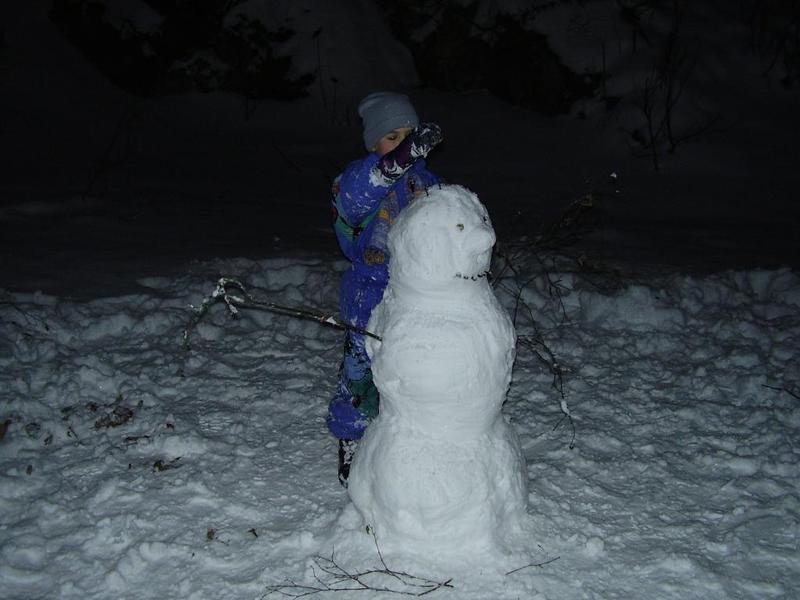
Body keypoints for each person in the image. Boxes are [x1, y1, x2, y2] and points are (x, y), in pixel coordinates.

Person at [327, 91, 444, 486]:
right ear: (374, 143)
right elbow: (360, 193)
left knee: (413, 369)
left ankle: (410, 437)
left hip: (415, 292)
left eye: (409, 136)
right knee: (360, 374)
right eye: (392, 137)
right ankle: (352, 436)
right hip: (369, 293)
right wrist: (399, 159)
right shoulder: (355, 181)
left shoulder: (426, 183)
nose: (403, 145)